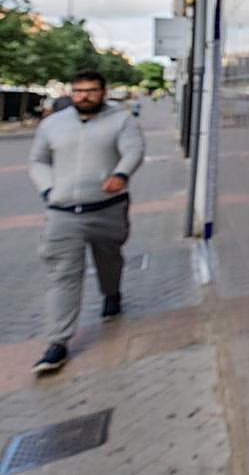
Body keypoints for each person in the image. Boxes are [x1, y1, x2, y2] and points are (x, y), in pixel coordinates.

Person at [28, 69, 145, 374]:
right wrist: (48, 189)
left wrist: (121, 174)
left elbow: (133, 150)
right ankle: (58, 342)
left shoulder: (121, 120)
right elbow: (38, 160)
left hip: (108, 208)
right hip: (62, 213)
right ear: (71, 92)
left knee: (109, 259)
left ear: (103, 92)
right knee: (63, 275)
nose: (84, 96)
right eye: (79, 91)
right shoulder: (53, 124)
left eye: (91, 90)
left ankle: (111, 294)